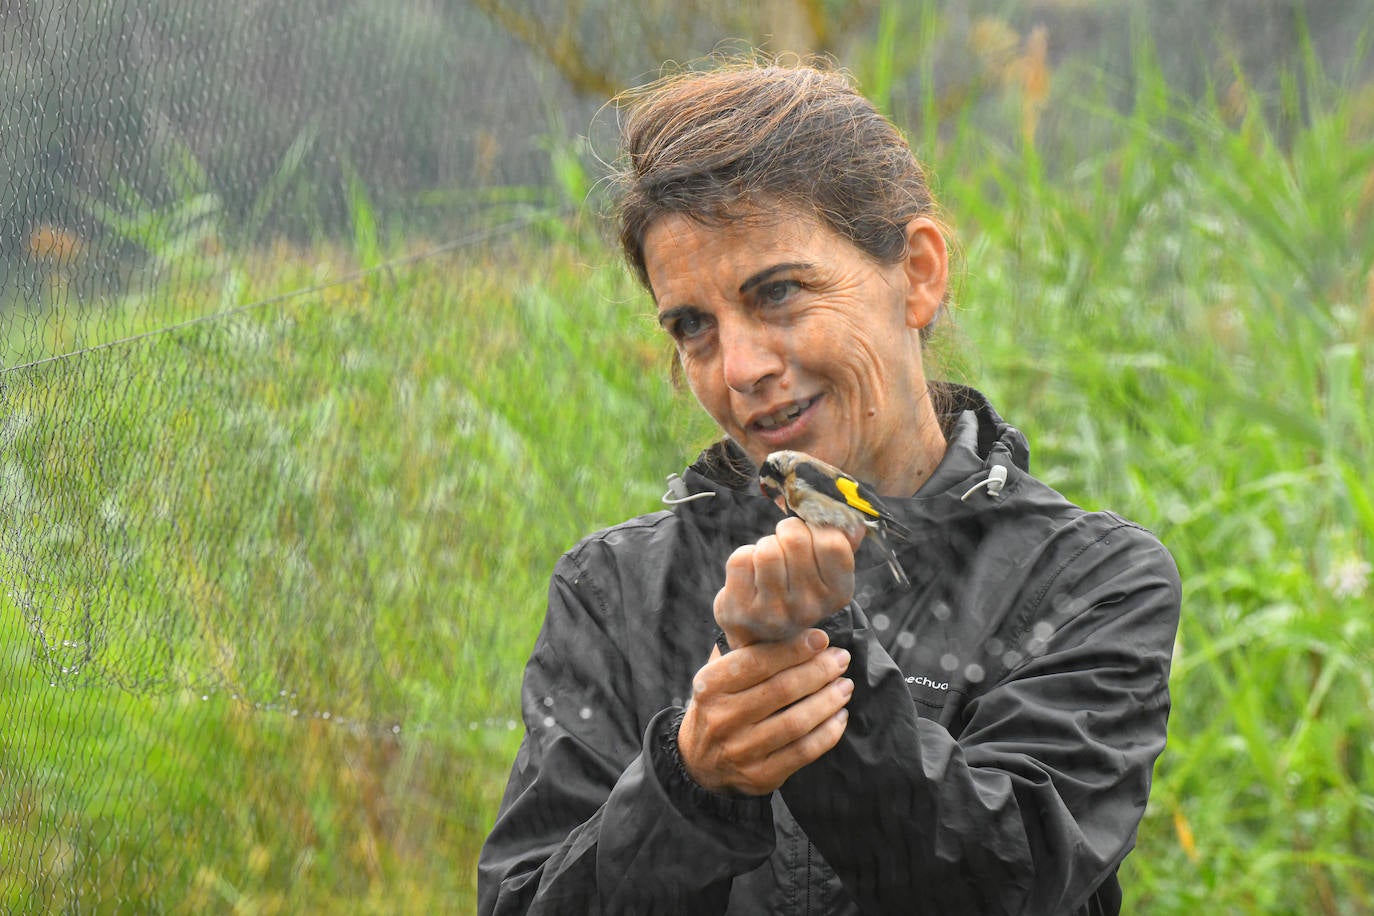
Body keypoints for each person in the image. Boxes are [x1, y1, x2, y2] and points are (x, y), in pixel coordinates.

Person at [478, 58, 1181, 915]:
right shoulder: (615, 592)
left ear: (918, 273)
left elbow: (1007, 883)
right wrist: (687, 781)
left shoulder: (1088, 580)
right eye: (693, 327)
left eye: (777, 292)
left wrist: (814, 664)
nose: (739, 368)